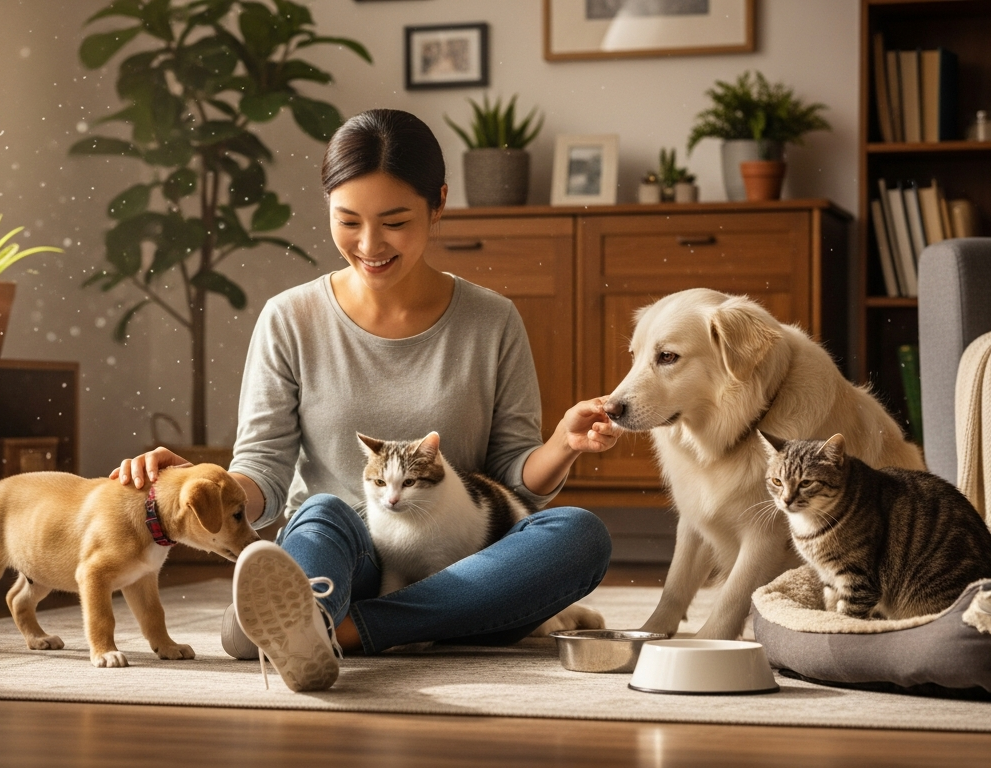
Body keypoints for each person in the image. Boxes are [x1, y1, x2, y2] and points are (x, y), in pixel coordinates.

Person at [114, 108, 617, 692]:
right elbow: (265, 473)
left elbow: (514, 481)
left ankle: (334, 629)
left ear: (439, 203)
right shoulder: (289, 318)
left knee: (579, 535)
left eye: (395, 222)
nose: (370, 245)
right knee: (323, 511)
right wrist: (195, 485)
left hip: (456, 559)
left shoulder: (492, 320)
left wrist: (562, 444)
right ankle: (410, 617)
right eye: (347, 220)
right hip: (341, 555)